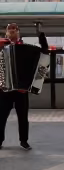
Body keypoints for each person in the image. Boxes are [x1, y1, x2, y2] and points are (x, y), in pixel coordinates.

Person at [0, 21, 49, 150]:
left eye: (14, 28)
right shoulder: (1, 46)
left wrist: (40, 34)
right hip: (4, 89)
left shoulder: (27, 48)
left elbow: (44, 51)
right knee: (1, 117)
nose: (12, 30)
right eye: (9, 28)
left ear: (18, 32)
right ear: (6, 31)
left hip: (21, 90)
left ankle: (24, 141)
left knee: (23, 117)